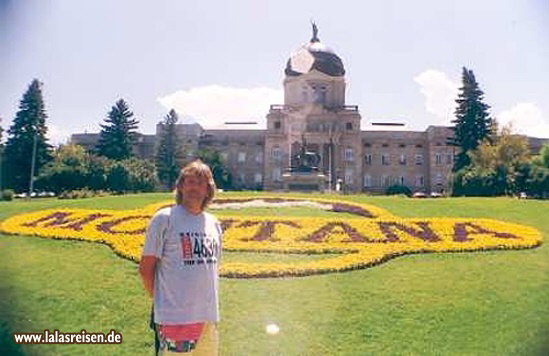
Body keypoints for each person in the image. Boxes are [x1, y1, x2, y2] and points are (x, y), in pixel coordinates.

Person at [139, 160, 223, 355]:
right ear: (181, 186)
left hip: (208, 318)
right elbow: (145, 270)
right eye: (190, 181)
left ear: (208, 189)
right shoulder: (164, 219)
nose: (195, 187)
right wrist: (164, 302)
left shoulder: (214, 224)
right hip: (175, 320)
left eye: (200, 182)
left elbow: (212, 268)